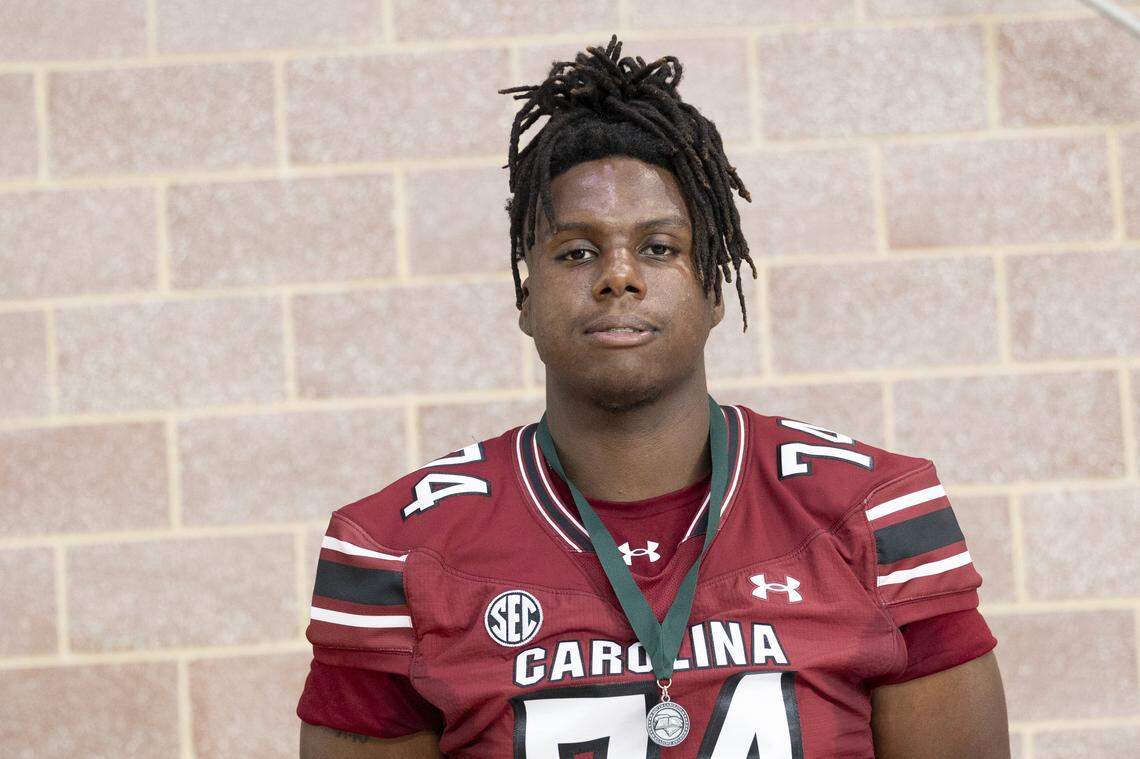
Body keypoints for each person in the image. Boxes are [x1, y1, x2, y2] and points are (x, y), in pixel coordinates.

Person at [297, 35, 1009, 758]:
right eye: (576, 251)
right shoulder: (395, 548)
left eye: (659, 247)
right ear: (525, 295)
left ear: (713, 287)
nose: (618, 276)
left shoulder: (873, 511)